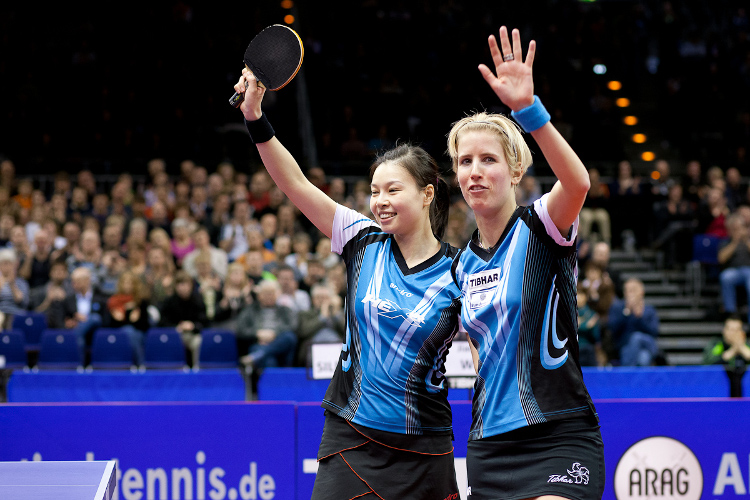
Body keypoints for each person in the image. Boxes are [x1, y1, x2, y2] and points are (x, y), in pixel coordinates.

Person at [234, 66, 463, 499]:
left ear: (427, 194)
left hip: (426, 446)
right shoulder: (362, 240)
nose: (380, 202)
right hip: (350, 437)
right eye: (375, 191)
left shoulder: (460, 271)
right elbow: (296, 184)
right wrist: (255, 118)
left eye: (393, 191)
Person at [446, 27, 604, 499]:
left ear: (516, 170)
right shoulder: (460, 266)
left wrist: (528, 112)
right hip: (490, 448)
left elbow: (577, 183)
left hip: (559, 435)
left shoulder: (542, 226)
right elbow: (480, 349)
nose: (475, 171)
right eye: (464, 161)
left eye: (488, 159)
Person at [235, 278, 298, 369]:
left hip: (280, 341)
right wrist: (257, 334)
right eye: (266, 293)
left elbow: (293, 326)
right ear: (259, 295)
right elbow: (240, 329)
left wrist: (274, 334)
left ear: (277, 295)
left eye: (272, 293)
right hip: (259, 343)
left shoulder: (285, 310)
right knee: (269, 360)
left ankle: (258, 355)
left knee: (290, 337)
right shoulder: (250, 310)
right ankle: (261, 355)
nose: (269, 296)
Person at [607, 278, 661, 366]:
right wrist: (626, 313)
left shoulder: (649, 310)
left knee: (637, 337)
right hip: (626, 346)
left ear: (641, 292)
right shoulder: (617, 308)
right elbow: (613, 330)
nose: (630, 293)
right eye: (627, 291)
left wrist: (639, 317)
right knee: (643, 358)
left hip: (647, 344)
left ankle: (626, 372)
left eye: (633, 290)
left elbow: (654, 332)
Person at [105, 270, 150, 366]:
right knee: (128, 331)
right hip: (119, 334)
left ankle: (136, 364)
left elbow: (145, 325)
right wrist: (120, 317)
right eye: (125, 283)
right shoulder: (114, 302)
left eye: (130, 283)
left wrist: (136, 320)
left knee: (132, 333)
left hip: (139, 333)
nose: (127, 286)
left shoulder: (141, 301)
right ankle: (140, 364)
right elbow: (110, 325)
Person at [718, 213, 750, 323]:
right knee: (725, 277)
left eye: (740, 228)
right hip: (733, 271)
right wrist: (735, 242)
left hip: (748, 271)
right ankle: (731, 312)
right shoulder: (726, 242)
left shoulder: (747, 241)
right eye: (735, 228)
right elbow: (721, 258)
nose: (738, 231)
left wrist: (746, 241)